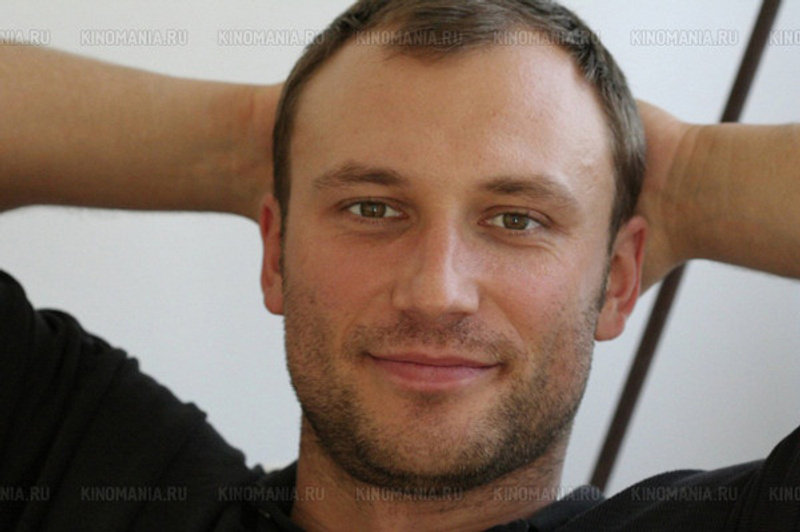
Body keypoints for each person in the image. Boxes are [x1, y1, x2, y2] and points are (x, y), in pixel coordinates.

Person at [1, 1, 798, 531]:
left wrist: (693, 178)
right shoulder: (84, 477)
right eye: (372, 208)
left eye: (517, 219)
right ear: (276, 252)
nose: (436, 292)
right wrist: (257, 136)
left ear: (618, 281)